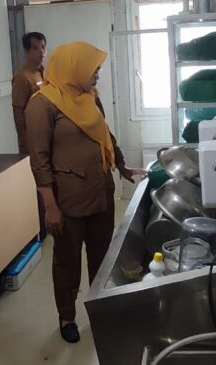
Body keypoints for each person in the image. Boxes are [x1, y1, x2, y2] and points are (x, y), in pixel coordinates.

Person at [25, 41, 146, 343]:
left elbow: (105, 135)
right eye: (94, 69)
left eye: (98, 69)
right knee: (67, 262)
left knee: (103, 258)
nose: (97, 74)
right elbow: (39, 161)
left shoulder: (91, 96)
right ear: (74, 67)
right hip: (67, 200)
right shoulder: (42, 104)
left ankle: (100, 309)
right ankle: (67, 317)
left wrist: (122, 166)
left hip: (100, 192)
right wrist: (50, 207)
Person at [12, 31, 46, 154]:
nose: (41, 52)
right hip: (32, 140)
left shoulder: (43, 73)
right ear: (27, 51)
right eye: (36, 48)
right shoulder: (22, 78)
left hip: (45, 135)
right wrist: (24, 143)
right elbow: (18, 113)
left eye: (43, 47)